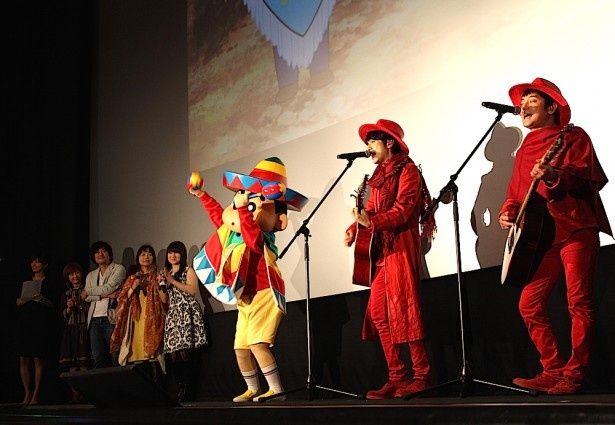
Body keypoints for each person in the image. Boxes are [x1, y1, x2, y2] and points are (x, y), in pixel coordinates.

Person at [498, 78, 612, 395]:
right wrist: (508, 212)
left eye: (532, 100)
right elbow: (515, 195)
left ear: (551, 107)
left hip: (575, 228)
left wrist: (553, 175)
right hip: (541, 237)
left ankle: (575, 374)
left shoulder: (573, 136)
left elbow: (584, 178)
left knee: (579, 302)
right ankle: (553, 369)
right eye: (523, 102)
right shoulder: (523, 152)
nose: (523, 106)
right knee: (529, 304)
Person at [189, 157, 308, 402]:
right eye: (244, 195)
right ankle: (253, 388)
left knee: (257, 345)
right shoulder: (231, 234)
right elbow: (219, 216)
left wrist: (243, 209)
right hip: (244, 295)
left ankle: (277, 389)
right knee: (240, 349)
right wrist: (202, 195)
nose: (246, 200)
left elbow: (253, 241)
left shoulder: (263, 234)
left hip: (264, 293)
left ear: (280, 220)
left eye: (256, 199)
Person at [344, 119, 435, 399]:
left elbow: (404, 211)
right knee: (379, 316)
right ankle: (397, 376)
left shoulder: (407, 171)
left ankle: (422, 375)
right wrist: (353, 228)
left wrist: (370, 221)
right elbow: (369, 211)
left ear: (389, 142)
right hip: (380, 253)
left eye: (372, 142)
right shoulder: (376, 179)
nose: (367, 147)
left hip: (400, 248)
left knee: (405, 312)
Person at [110, 244, 168, 378]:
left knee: (154, 356)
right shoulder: (132, 278)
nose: (146, 257)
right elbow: (122, 299)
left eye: (149, 254)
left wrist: (161, 285)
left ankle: (157, 391)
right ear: (138, 258)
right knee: (138, 355)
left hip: (153, 318)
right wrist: (133, 288)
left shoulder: (158, 276)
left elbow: (164, 300)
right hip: (136, 319)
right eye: (143, 254)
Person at [161, 241, 207, 402]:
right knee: (173, 354)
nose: (172, 256)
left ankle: (188, 389)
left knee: (185, 352)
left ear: (182, 254)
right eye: (170, 253)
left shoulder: (188, 270)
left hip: (187, 312)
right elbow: (164, 299)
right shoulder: (166, 274)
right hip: (173, 314)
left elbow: (192, 291)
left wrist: (173, 281)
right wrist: (162, 285)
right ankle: (180, 387)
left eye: (176, 252)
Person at [15, 254, 60, 405]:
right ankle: (26, 393)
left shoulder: (50, 282)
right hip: (25, 322)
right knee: (23, 358)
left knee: (38, 358)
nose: (34, 264)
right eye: (32, 261)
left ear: (45, 264)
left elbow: (55, 305)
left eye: (38, 261)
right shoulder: (25, 281)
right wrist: (26, 299)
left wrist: (43, 299)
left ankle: (36, 394)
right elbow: (17, 302)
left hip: (41, 323)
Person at [81, 241, 126, 368]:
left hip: (111, 318)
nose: (100, 254)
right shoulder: (91, 275)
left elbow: (109, 287)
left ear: (109, 254)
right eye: (97, 252)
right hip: (94, 320)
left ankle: (120, 386)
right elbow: (87, 299)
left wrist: (88, 291)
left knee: (116, 356)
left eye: (103, 251)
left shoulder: (118, 269)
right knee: (98, 358)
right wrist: (103, 295)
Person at [59, 262, 90, 402]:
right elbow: (63, 314)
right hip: (70, 330)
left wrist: (83, 304)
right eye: (71, 274)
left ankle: (84, 393)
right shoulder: (65, 294)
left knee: (83, 364)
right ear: (67, 277)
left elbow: (92, 309)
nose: (75, 276)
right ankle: (74, 395)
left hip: (83, 328)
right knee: (71, 365)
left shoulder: (87, 290)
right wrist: (69, 308)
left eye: (77, 273)